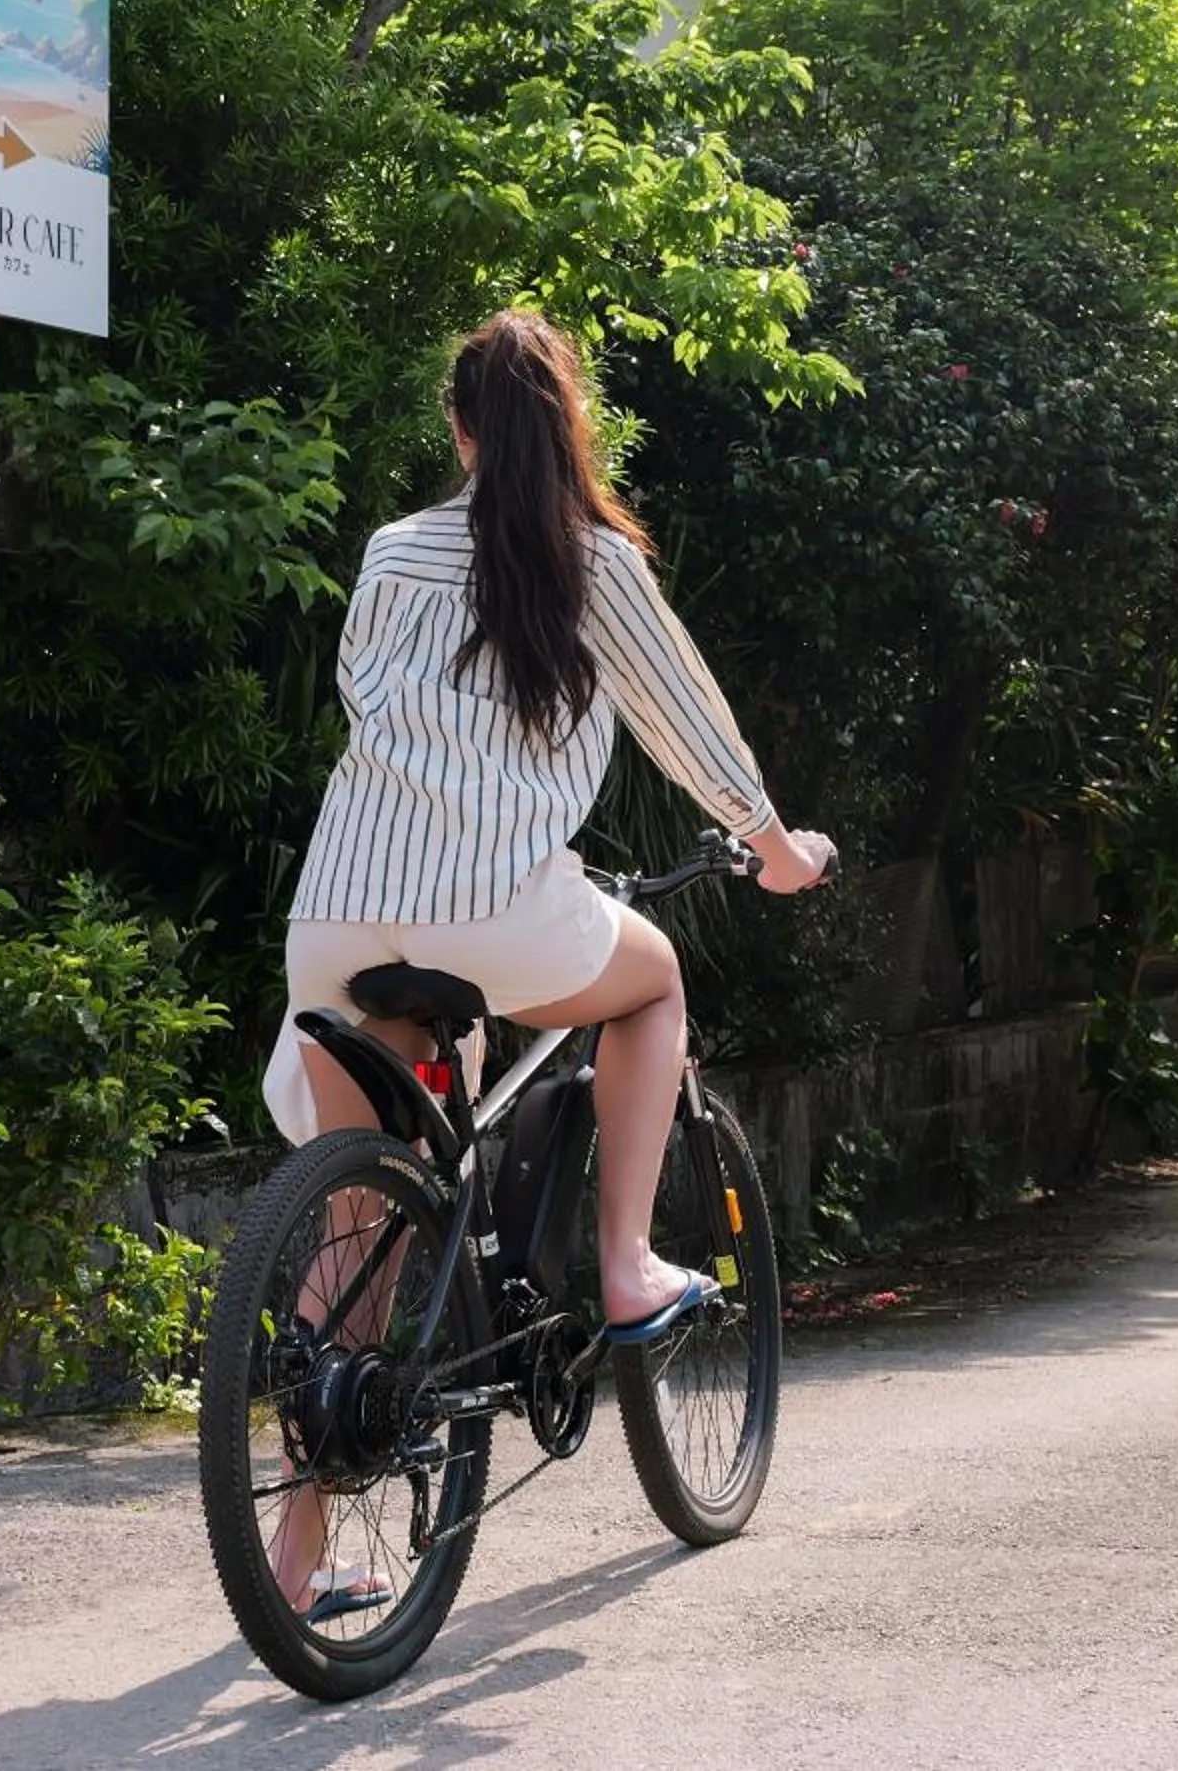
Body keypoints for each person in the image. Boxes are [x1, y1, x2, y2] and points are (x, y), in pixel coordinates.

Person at [258, 309, 834, 1614]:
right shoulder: (594, 564)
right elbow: (690, 722)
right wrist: (774, 844)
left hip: (343, 912)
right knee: (654, 983)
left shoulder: (394, 553)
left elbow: (368, 700)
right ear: (566, 428)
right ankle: (627, 1264)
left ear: (458, 432)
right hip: (494, 911)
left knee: (358, 1227)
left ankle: (291, 1568)